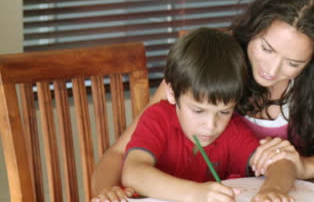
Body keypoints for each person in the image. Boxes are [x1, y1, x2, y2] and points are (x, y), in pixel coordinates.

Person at [91, 0, 314, 201]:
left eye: (293, 63)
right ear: (254, 29)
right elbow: (122, 153)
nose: (272, 70)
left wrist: (305, 166)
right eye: (267, 48)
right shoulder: (214, 67)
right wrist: (106, 193)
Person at [120, 28, 295, 202]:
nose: (211, 125)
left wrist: (272, 189)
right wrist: (195, 193)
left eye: (224, 111)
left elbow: (282, 164)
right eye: (198, 111)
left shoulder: (233, 130)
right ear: (172, 93)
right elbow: (133, 172)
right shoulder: (158, 119)